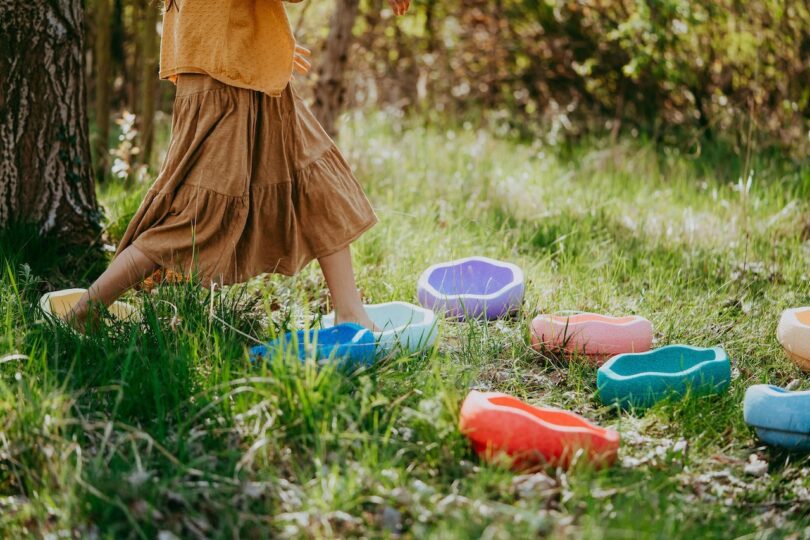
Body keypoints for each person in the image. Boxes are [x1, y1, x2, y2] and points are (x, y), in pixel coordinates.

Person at [68, 0, 411, 330]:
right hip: (225, 84)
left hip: (246, 73)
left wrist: (266, 45)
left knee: (319, 184)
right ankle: (86, 310)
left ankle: (350, 312)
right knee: (195, 217)